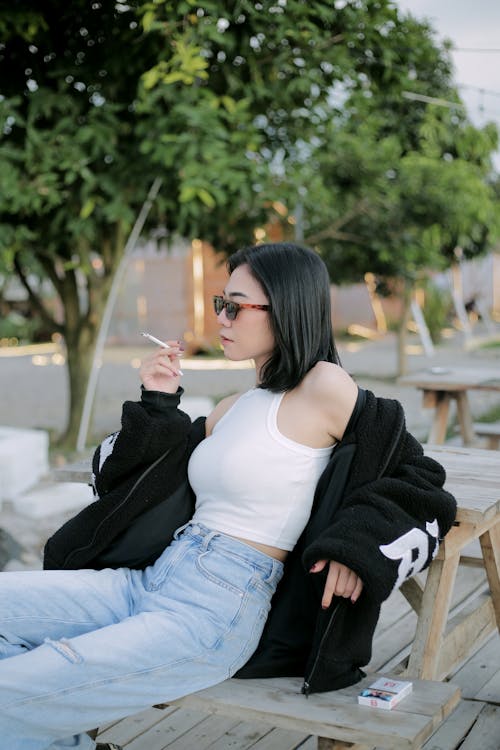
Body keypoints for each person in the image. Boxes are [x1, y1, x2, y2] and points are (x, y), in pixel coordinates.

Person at [0, 242, 456, 750]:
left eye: (237, 306)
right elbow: (137, 478)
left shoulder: (323, 386)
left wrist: (359, 545)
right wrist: (157, 400)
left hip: (214, 608)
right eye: (222, 303)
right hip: (150, 580)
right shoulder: (232, 405)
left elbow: (415, 473)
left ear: (286, 308)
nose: (222, 317)